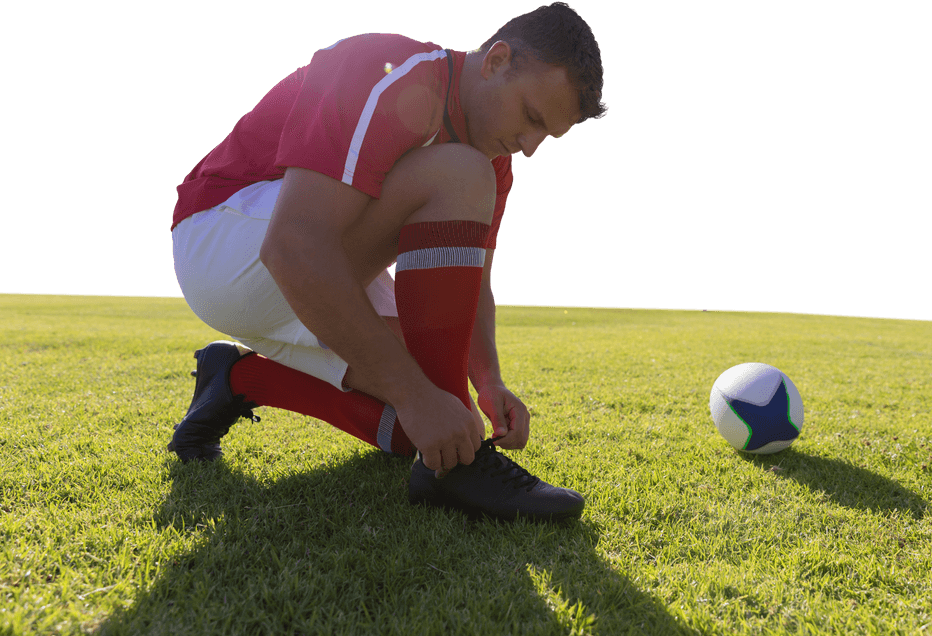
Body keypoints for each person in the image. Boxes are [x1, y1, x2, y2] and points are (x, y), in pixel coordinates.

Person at [168, 2, 607, 522]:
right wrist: (417, 392)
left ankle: (235, 378)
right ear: (496, 61)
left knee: (425, 430)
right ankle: (456, 471)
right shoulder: (385, 71)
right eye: (531, 117)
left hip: (306, 269)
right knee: (428, 397)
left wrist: (487, 384)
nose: (530, 146)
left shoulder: (495, 156)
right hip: (225, 240)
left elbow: (475, 283)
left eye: (547, 137)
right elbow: (293, 247)